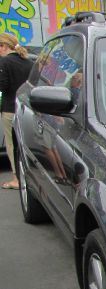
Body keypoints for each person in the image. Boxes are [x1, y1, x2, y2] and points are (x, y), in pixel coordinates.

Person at [0, 33, 33, 190]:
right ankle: (30, 177)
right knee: (26, 144)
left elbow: (3, 86)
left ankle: (16, 179)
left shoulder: (4, 62)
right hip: (27, 109)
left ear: (4, 46)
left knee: (11, 145)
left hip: (9, 108)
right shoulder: (28, 62)